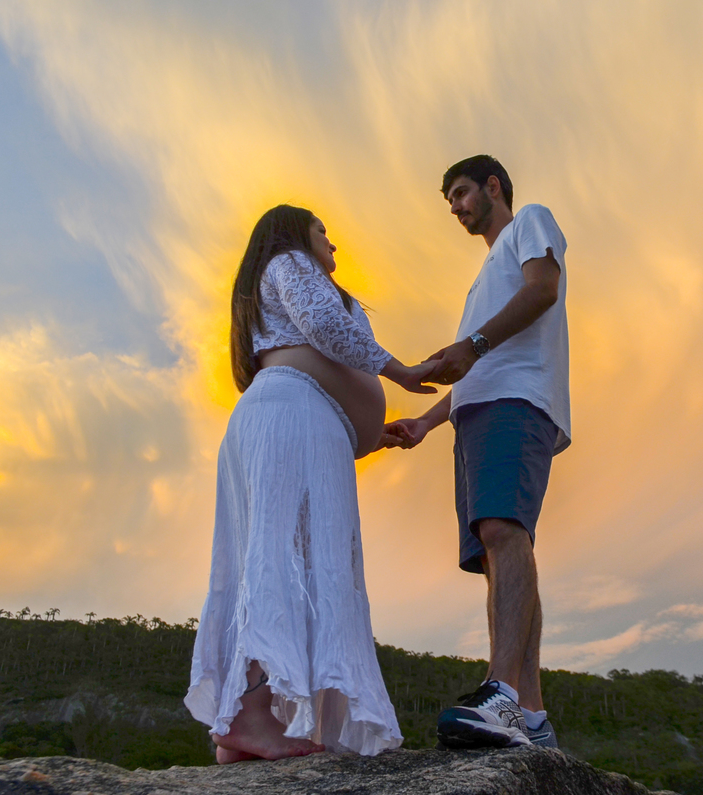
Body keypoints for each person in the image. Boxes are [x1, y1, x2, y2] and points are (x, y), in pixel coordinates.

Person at [185, 204, 435, 761]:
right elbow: (326, 329)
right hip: (291, 414)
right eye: (324, 231)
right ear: (295, 232)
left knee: (282, 557)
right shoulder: (288, 262)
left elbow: (325, 360)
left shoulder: (274, 286)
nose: (333, 244)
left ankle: (254, 720)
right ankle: (249, 716)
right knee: (280, 558)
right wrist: (405, 373)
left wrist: (373, 432)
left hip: (294, 418)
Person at [382, 155, 570, 749]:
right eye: (450, 201)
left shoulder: (529, 223)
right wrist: (429, 422)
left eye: (462, 193)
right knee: (497, 550)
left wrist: (473, 342)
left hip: (519, 402)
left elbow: (544, 290)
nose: (456, 207)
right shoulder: (485, 271)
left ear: (493, 186)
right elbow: (472, 372)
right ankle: (530, 714)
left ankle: (502, 695)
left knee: (503, 531)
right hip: (479, 414)